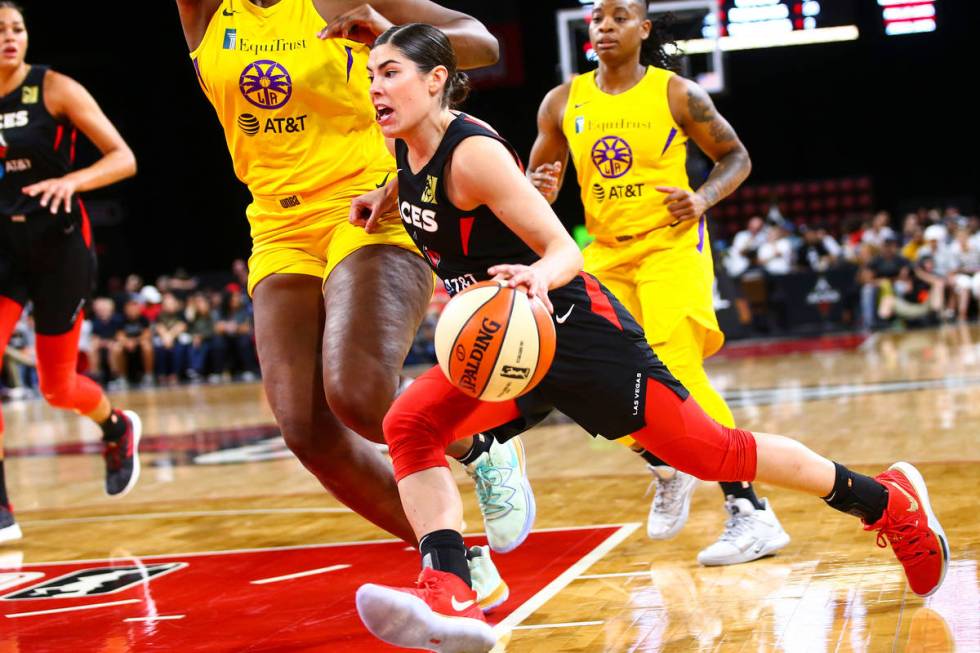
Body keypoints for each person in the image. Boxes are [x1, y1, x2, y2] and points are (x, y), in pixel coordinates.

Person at [350, 24, 948, 652]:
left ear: (436, 79)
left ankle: (886, 502)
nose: (376, 88)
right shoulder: (406, 147)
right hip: (508, 347)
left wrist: (534, 278)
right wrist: (382, 197)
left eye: (390, 73)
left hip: (575, 336)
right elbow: (421, 188)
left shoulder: (474, 154)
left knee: (715, 454)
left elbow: (561, 249)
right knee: (409, 423)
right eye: (371, 76)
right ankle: (448, 585)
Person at [173, 0, 530, 606]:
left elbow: (480, 43)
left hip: (374, 203)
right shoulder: (207, 9)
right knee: (309, 431)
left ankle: (486, 443)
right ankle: (457, 560)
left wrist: (391, 39)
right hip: (278, 227)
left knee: (359, 394)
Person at [527, 0, 787, 565]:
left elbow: (735, 157)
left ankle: (750, 510)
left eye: (619, 16)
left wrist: (702, 198)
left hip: (672, 244)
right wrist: (539, 190)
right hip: (605, 253)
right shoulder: (562, 102)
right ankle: (665, 463)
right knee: (587, 373)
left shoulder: (677, 94)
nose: (605, 26)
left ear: (643, 29)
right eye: (597, 17)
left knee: (677, 367)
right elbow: (532, 183)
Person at [0, 2, 141, 543]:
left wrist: (74, 182)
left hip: (58, 244)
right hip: (4, 249)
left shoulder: (53, 87)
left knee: (56, 387)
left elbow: (123, 158)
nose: (12, 38)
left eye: (18, 28)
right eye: (2, 31)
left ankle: (114, 425)